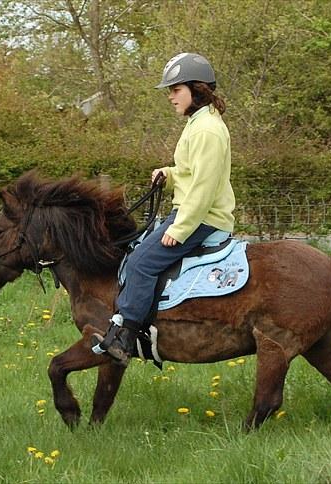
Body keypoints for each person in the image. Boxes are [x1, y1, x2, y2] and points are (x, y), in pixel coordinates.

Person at [92, 52, 236, 366]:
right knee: (136, 251)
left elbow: (203, 189)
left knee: (141, 262)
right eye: (170, 91)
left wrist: (179, 229)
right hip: (192, 212)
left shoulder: (206, 130)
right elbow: (191, 174)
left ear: (197, 90)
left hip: (201, 219)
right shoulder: (199, 123)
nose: (170, 97)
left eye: (176, 89)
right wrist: (169, 175)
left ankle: (126, 336)